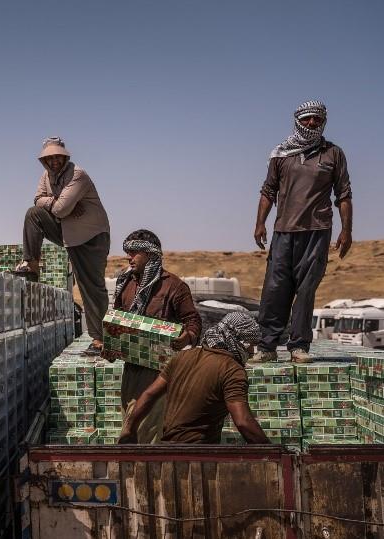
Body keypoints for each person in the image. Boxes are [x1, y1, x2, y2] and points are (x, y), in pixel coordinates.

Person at [252, 100, 353, 364]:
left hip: (317, 232)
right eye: (306, 118)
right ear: (298, 121)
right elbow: (268, 191)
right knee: (275, 288)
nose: (311, 123)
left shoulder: (333, 154)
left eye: (316, 119)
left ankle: (299, 346)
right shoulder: (281, 154)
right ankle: (267, 346)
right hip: (284, 231)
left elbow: (343, 194)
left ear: (323, 122)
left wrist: (347, 231)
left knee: (307, 289)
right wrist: (260, 223)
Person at [15, 136, 110, 356]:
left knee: (91, 288)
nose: (54, 161)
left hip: (91, 238)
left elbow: (59, 211)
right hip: (68, 232)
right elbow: (40, 199)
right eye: (49, 158)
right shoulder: (46, 176)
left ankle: (102, 341)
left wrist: (59, 206)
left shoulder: (77, 174)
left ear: (64, 156)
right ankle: (31, 264)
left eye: (57, 156)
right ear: (44, 160)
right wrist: (56, 202)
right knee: (34, 214)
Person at [118, 312, 270, 445]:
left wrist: (129, 429)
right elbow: (243, 422)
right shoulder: (232, 370)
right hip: (200, 454)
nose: (251, 352)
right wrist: (272, 452)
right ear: (237, 341)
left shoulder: (183, 357)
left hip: (168, 447)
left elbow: (149, 394)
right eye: (251, 345)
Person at [112, 229, 202, 443]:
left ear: (151, 255)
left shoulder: (174, 285)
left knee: (147, 432)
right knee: (129, 426)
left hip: (159, 371)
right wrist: (109, 345)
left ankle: (146, 474)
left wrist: (186, 337)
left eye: (135, 253)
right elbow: (116, 322)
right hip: (131, 368)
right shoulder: (125, 283)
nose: (129, 257)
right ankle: (135, 473)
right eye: (128, 252)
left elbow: (193, 320)